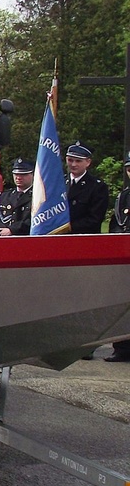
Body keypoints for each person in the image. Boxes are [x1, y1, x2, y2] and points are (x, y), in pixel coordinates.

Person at [105, 153, 130, 362]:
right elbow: (116, 224)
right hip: (125, 254)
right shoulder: (124, 196)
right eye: (129, 169)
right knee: (122, 302)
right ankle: (122, 348)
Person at [64, 142, 109, 235]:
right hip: (58, 237)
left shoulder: (97, 187)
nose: (73, 164)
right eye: (70, 160)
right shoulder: (59, 183)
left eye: (78, 161)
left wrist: (67, 228)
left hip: (84, 237)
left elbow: (95, 219)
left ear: (88, 162)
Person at [0, 158, 33, 236]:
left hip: (26, 238)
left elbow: (34, 220)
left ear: (32, 175)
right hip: (3, 238)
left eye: (23, 174)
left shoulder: (38, 197)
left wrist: (12, 230)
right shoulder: (3, 196)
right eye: (16, 174)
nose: (18, 177)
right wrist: (1, 231)